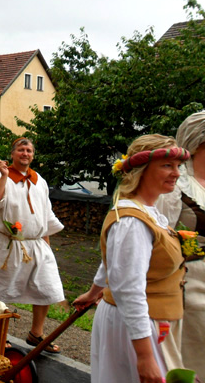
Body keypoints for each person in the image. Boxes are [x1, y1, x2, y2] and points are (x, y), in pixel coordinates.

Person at [74, 134, 189, 383]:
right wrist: (144, 355)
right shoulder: (131, 222)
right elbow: (129, 290)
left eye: (178, 166)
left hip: (144, 321)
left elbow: (113, 263)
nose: (177, 173)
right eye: (167, 165)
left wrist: (94, 292)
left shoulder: (146, 212)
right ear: (142, 170)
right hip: (135, 326)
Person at [0, 137, 65, 353]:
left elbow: (46, 215)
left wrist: (47, 245)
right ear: (13, 154)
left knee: (47, 287)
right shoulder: (0, 178)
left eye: (28, 150)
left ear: (33, 155)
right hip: (10, 244)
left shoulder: (40, 181)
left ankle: (35, 334)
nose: (25, 153)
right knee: (4, 291)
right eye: (21, 149)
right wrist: (4, 176)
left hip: (37, 243)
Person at [155, 111, 205, 379]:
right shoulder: (176, 187)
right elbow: (157, 236)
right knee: (188, 354)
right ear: (197, 142)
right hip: (187, 284)